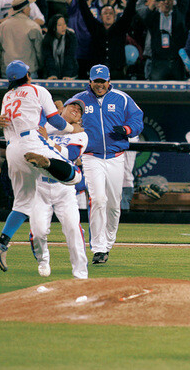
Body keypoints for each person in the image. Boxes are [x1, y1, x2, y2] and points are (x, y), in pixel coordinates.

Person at [0, 60, 84, 272]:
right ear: (28, 75)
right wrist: (71, 129)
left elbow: (5, 121)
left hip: (12, 150)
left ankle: (1, 243)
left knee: (23, 204)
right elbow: (56, 122)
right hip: (32, 142)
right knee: (75, 176)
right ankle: (48, 162)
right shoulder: (37, 89)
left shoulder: (7, 96)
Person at [72, 64, 144, 264]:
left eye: (103, 81)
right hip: (91, 156)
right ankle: (98, 248)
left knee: (113, 203)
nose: (100, 85)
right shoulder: (79, 100)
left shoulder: (122, 98)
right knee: (98, 200)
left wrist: (128, 129)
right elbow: (66, 119)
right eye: (96, 81)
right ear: (90, 82)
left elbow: (138, 119)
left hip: (115, 156)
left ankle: (108, 242)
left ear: (109, 81)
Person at [29, 98, 89, 279]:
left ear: (80, 119)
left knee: (73, 229)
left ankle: (81, 273)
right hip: (39, 185)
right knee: (38, 232)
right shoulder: (45, 125)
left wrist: (47, 141)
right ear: (62, 109)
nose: (76, 110)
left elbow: (71, 154)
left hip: (63, 189)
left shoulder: (80, 135)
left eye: (80, 110)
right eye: (73, 106)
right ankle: (43, 260)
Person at [77, 0, 142, 79]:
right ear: (101, 17)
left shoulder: (120, 28)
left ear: (115, 16)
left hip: (117, 71)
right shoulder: (95, 28)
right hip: (98, 73)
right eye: (105, 13)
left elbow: (129, 13)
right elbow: (86, 14)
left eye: (111, 13)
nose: (108, 15)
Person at [141, 0, 190, 81]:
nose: (166, 2)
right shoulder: (154, 18)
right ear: (159, 2)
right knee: (156, 94)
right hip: (158, 63)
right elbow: (143, 18)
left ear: (174, 1)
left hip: (176, 63)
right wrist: (152, 3)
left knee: (179, 94)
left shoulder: (179, 15)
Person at [0, 0, 43, 78]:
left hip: (8, 72)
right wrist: (40, 67)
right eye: (28, 6)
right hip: (29, 73)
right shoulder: (33, 26)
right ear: (24, 9)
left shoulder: (2, 26)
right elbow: (39, 52)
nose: (30, 9)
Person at [41, 13, 78, 79]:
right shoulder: (47, 39)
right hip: (52, 74)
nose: (64, 27)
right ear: (53, 28)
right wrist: (52, 74)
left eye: (64, 24)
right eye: (59, 25)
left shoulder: (71, 37)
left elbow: (70, 57)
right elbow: (48, 58)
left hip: (70, 73)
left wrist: (67, 74)